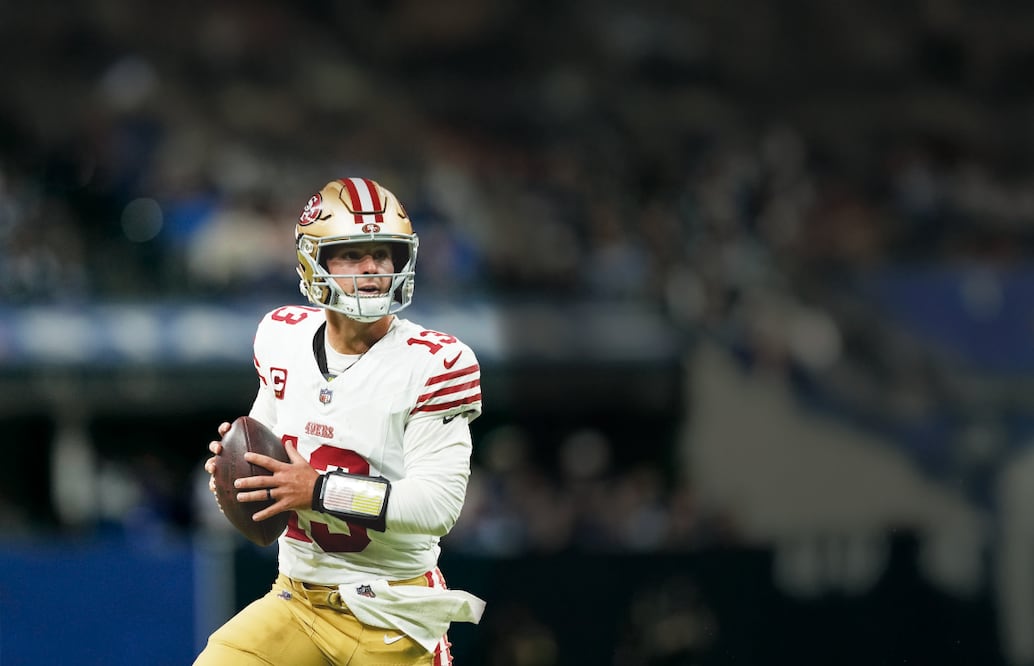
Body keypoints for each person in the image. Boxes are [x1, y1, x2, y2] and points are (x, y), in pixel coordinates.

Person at [195, 177, 485, 665]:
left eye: (383, 254)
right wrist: (239, 470)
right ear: (314, 262)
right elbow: (265, 441)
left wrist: (319, 491)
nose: (372, 268)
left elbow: (437, 506)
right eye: (352, 254)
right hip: (298, 599)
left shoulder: (436, 362)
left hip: (393, 613)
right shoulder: (282, 336)